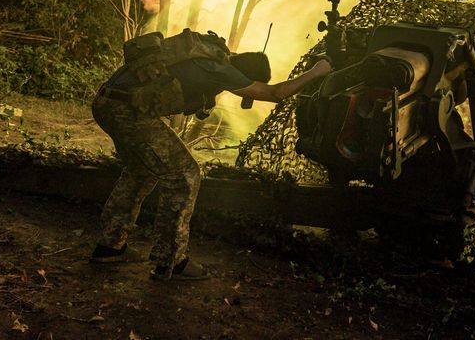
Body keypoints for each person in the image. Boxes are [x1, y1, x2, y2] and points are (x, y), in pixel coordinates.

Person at [88, 28, 331, 281]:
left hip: (106, 102)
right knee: (185, 175)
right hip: (127, 113)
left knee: (141, 171)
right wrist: (317, 71)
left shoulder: (212, 55)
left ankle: (110, 246)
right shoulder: (221, 71)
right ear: (242, 74)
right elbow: (275, 93)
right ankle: (171, 262)